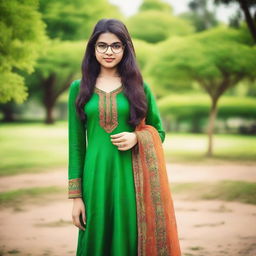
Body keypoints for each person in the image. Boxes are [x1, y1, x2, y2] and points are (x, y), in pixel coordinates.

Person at [68, 18, 181, 256]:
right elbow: (76, 145)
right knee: (96, 240)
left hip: (131, 180)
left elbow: (158, 131)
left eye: (116, 45)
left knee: (128, 238)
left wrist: (137, 138)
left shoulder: (140, 87)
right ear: (93, 48)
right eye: (102, 45)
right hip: (95, 179)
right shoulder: (79, 89)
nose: (109, 51)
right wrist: (76, 196)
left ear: (125, 48)